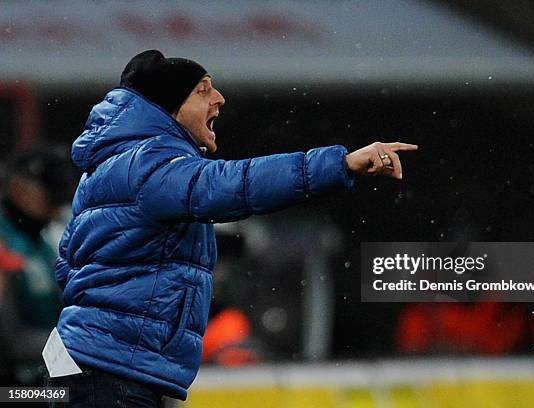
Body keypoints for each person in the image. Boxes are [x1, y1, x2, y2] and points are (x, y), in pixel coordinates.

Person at [47, 49, 418, 407]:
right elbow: (235, 184)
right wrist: (341, 163)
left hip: (98, 364)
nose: (220, 99)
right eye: (203, 90)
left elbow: (68, 265)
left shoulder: (114, 166)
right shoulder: (152, 164)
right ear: (169, 109)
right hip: (108, 370)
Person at [0, 150, 67, 387]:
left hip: (42, 375)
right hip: (11, 389)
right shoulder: (4, 243)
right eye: (50, 199)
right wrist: (75, 345)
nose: (56, 210)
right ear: (19, 188)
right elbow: (9, 341)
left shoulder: (42, 244)